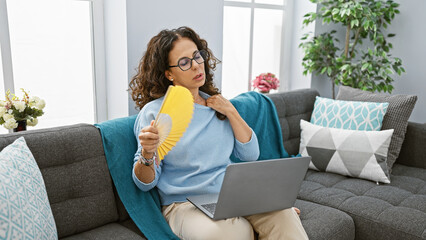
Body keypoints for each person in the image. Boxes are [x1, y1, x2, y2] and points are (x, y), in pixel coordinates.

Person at [129, 26, 308, 240]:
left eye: (197, 56)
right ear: (169, 73)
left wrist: (231, 111)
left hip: (231, 196)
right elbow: (144, 182)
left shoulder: (218, 105)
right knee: (232, 233)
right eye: (185, 62)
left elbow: (250, 155)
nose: (197, 65)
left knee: (284, 215)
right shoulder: (156, 113)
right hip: (184, 205)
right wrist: (147, 154)